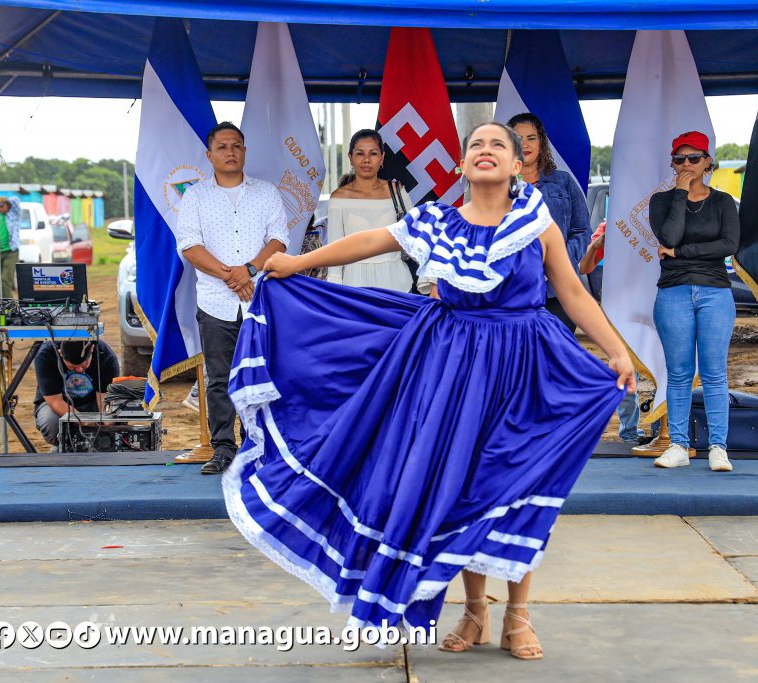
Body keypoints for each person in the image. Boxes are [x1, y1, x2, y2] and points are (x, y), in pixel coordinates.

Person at [222, 122, 635, 660]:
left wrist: (616, 349)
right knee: (457, 487)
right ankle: (475, 611)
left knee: (514, 484)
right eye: (476, 144)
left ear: (517, 165)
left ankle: (518, 614)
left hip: (524, 366)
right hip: (453, 370)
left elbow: (573, 292)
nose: (485, 150)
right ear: (462, 164)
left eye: (498, 145)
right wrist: (300, 263)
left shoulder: (537, 222)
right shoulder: (438, 221)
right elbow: (370, 241)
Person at [175, 121, 289, 475]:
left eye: (236, 145)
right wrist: (231, 275)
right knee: (219, 378)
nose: (230, 152)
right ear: (210, 155)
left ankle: (260, 447)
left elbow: (279, 239)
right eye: (222, 147)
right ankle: (224, 449)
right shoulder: (196, 196)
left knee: (263, 374)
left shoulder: (266, 192)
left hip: (259, 299)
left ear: (245, 151)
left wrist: (249, 270)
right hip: (215, 301)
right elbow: (189, 245)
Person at [649, 131, 739, 472]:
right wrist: (680, 193)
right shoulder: (662, 201)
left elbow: (729, 245)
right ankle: (679, 444)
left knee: (715, 372)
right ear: (672, 164)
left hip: (715, 291)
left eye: (694, 158)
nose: (687, 164)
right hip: (673, 291)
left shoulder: (723, 202)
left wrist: (680, 252)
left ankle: (718, 447)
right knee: (679, 373)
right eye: (680, 159)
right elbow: (669, 235)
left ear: (707, 162)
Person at [508, 112, 590, 332]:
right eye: (518, 139)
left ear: (541, 142)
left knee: (557, 350)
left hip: (560, 290)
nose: (525, 145)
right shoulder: (497, 185)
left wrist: (560, 259)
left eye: (531, 138)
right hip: (514, 291)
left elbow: (582, 230)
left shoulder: (563, 181)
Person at [580, 224, 650, 445]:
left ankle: (670, 433)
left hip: (655, 304)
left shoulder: (660, 221)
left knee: (667, 371)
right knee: (626, 371)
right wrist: (596, 245)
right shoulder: (612, 225)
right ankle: (629, 431)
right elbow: (584, 267)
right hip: (622, 310)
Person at [327, 129, 414, 291]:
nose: (366, 159)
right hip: (354, 285)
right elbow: (334, 251)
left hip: (397, 283)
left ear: (382, 158)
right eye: (360, 153)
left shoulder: (397, 191)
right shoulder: (338, 198)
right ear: (351, 158)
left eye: (373, 153)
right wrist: (334, 291)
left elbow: (418, 235)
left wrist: (432, 278)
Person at [33, 340, 119, 448]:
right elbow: (55, 402)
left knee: (118, 415)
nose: (79, 370)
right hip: (59, 404)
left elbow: (105, 397)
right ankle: (63, 445)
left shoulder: (105, 356)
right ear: (60, 353)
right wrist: (83, 421)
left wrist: (108, 423)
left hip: (93, 403)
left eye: (84, 365)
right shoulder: (46, 355)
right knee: (51, 422)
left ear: (92, 349)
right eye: (73, 367)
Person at [0, 196, 20, 296]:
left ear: (8, 205)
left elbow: (16, 200)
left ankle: (9, 303)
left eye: (2, 205)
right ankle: (2, 301)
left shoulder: (13, 215)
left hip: (11, 251)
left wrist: (3, 200)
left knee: (5, 279)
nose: (0, 208)